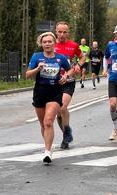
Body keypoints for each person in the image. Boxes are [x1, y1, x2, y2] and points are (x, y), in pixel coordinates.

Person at [26, 32, 74, 163]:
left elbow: (70, 69)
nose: (47, 44)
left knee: (48, 121)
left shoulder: (61, 58)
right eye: (45, 42)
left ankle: (47, 152)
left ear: (54, 43)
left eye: (50, 41)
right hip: (40, 92)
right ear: (41, 44)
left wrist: (65, 76)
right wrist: (37, 69)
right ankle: (49, 145)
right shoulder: (36, 57)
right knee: (43, 124)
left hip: (55, 92)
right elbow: (27, 75)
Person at [54, 21, 86, 149]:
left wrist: (78, 65)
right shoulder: (51, 44)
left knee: (62, 107)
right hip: (53, 83)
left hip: (68, 81)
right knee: (57, 113)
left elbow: (82, 57)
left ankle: (66, 132)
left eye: (64, 32)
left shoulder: (73, 45)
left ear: (68, 33)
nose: (62, 34)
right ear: (56, 32)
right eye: (60, 32)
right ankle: (66, 135)